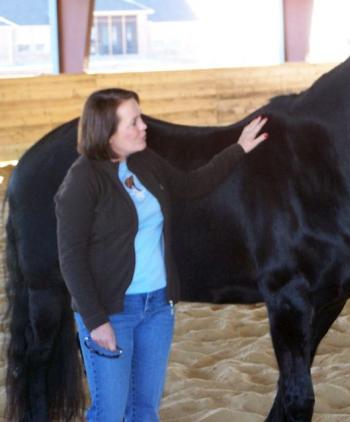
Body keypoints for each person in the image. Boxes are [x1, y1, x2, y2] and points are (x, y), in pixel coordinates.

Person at [55, 88, 268, 422]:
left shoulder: (143, 161)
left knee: (144, 410)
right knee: (110, 413)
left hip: (157, 308)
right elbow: (71, 257)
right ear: (107, 132)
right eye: (134, 121)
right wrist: (96, 321)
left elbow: (192, 185)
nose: (144, 127)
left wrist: (238, 149)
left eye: (141, 118)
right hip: (112, 313)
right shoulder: (82, 181)